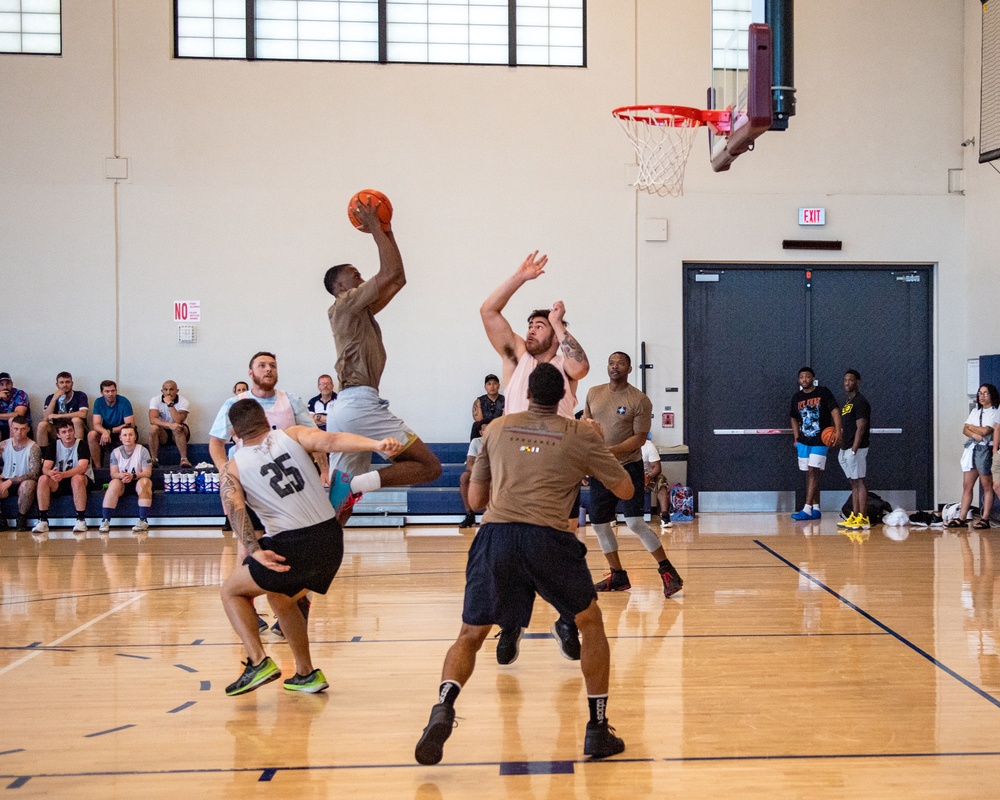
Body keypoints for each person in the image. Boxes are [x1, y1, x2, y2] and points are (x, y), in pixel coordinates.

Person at [414, 363, 631, 766]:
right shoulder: (581, 433)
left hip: (496, 537)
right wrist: (593, 451)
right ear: (563, 395)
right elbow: (626, 488)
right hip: (548, 538)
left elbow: (476, 502)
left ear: (527, 392)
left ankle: (443, 706)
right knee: (590, 623)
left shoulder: (495, 429)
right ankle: (597, 729)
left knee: (470, 634)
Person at [218, 399, 402, 696]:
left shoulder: (232, 468)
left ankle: (257, 661)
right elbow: (331, 440)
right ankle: (305, 673)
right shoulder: (292, 434)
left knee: (231, 591)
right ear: (266, 419)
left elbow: (235, 510)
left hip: (292, 545)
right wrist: (377, 443)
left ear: (234, 433)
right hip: (331, 539)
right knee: (281, 600)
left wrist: (254, 551)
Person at [480, 251, 592, 662]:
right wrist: (520, 277)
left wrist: (560, 323)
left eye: (538, 324)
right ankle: (511, 624)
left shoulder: (565, 363)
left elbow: (582, 365)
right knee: (509, 540)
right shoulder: (514, 356)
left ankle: (566, 618)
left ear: (554, 332)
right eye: (529, 324)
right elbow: (489, 309)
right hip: (513, 457)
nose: (530, 330)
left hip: (557, 460)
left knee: (563, 540)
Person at [322, 197, 442, 520]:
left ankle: (316, 556)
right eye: (355, 276)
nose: (362, 280)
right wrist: (375, 227)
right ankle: (363, 482)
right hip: (359, 405)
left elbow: (398, 277)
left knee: (339, 505)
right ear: (340, 287)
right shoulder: (344, 305)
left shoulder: (361, 313)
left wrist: (388, 231)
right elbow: (387, 271)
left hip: (349, 407)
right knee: (429, 466)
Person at [209, 352, 319, 636]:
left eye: (272, 365)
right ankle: (249, 607)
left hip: (287, 485)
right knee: (248, 546)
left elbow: (314, 438)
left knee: (294, 544)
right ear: (250, 373)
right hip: (249, 484)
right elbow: (215, 443)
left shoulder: (291, 400)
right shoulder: (234, 404)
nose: (268, 369)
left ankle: (298, 604)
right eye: (262, 365)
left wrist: (323, 469)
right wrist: (225, 471)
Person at [585, 352, 683, 597]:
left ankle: (668, 571)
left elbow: (639, 439)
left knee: (635, 522)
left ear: (629, 368)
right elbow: (586, 427)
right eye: (610, 362)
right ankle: (617, 575)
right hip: (600, 470)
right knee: (598, 524)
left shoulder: (639, 400)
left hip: (628, 467)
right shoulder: (593, 393)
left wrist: (610, 452)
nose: (614, 366)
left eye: (619, 363)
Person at [789, 366, 841, 521]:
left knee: (813, 471)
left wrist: (838, 431)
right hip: (804, 441)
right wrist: (796, 437)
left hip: (820, 440)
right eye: (801, 377)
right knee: (810, 474)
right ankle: (817, 508)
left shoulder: (823, 392)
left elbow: (835, 411)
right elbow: (793, 417)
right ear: (799, 380)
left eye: (807, 376)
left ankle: (806, 508)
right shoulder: (796, 397)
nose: (804, 379)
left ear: (813, 378)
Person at [950, 383, 1000, 529]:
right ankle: (962, 517)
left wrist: (971, 428)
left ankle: (985, 518)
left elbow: (986, 431)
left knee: (987, 485)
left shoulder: (995, 411)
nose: (982, 396)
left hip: (986, 450)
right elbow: (964, 430)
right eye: (980, 393)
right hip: (973, 448)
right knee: (967, 485)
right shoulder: (975, 411)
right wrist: (974, 433)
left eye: (985, 393)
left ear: (992, 395)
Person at [33, 417, 93, 534]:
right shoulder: (53, 446)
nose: (68, 434)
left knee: (77, 478)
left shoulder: (82, 444)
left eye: (70, 430)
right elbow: (45, 467)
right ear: (58, 435)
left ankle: (81, 519)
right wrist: (50, 472)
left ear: (74, 431)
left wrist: (63, 475)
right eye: (64, 432)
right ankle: (43, 520)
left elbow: (82, 468)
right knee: (43, 479)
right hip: (60, 480)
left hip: (81, 481)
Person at [98, 424, 153, 533]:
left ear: (135, 437)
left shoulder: (142, 451)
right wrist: (121, 475)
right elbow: (113, 473)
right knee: (114, 483)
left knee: (145, 482)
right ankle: (105, 520)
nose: (128, 437)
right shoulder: (115, 452)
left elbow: (147, 472)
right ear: (120, 438)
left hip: (137, 480)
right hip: (122, 483)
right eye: (125, 435)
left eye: (130, 435)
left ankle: (143, 520)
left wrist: (133, 476)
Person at [837, 369, 872, 531]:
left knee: (860, 481)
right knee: (853, 482)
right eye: (845, 380)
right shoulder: (848, 402)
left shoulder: (860, 402)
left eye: (851, 380)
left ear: (857, 381)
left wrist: (854, 449)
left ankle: (863, 518)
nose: (847, 383)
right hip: (846, 446)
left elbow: (861, 427)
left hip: (856, 448)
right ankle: (855, 515)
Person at [0, 415, 40, 531]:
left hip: (22, 481)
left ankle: (21, 517)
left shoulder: (33, 448)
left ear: (27, 429)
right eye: (16, 429)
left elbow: (34, 473)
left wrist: (11, 481)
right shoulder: (3, 445)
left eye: (22, 429)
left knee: (28, 485)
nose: (19, 432)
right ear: (11, 429)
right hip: (6, 480)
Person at [87, 380, 136, 468]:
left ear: (116, 391)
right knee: (91, 435)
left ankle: (127, 467)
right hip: (107, 432)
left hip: (122, 432)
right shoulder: (98, 402)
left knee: (128, 433)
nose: (110, 394)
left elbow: (129, 424)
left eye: (113, 391)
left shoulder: (124, 401)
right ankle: (98, 468)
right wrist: (105, 432)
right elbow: (96, 424)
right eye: (107, 391)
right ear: (102, 393)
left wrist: (109, 431)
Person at [36, 371, 88, 447]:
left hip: (74, 428)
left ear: (72, 383)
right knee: (42, 425)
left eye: (67, 382)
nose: (65, 385)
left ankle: (77, 452)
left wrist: (59, 416)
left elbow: (83, 414)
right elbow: (45, 418)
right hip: (58, 430)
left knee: (76, 420)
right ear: (57, 384)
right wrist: (54, 399)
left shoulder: (80, 395)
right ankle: (44, 456)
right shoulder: (51, 397)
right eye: (61, 382)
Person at [148, 380, 191, 467]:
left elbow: (178, 420)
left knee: (178, 428)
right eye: (165, 389)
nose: (168, 392)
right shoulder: (155, 400)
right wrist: (170, 425)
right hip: (163, 432)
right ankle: (154, 460)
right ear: (162, 391)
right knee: (153, 428)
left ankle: (184, 459)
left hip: (180, 431)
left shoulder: (184, 401)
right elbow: (152, 419)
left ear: (177, 391)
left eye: (171, 389)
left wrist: (170, 404)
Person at [458, 419, 490, 529]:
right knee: (464, 477)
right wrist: (481, 473)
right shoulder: (476, 442)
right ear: (481, 432)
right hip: (480, 471)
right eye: (485, 430)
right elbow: (469, 463)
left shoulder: (500, 440)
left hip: (496, 471)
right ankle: (469, 514)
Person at [641, 433, 672, 529]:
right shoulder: (622, 445)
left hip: (646, 475)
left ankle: (665, 516)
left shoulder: (648, 445)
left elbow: (657, 467)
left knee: (661, 481)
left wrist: (648, 476)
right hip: (626, 475)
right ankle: (611, 516)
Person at [470, 374, 504, 440]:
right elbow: (479, 421)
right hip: (484, 428)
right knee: (476, 425)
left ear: (499, 386)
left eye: (495, 383)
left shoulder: (505, 400)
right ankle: (475, 449)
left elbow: (505, 419)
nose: (492, 386)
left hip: (500, 427)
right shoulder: (479, 401)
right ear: (485, 387)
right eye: (489, 384)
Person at [0, 372, 31, 441]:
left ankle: (12, 450)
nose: (5, 387)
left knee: (12, 420)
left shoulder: (20, 394)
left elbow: (19, 414)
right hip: (1, 428)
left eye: (8, 383)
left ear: (12, 384)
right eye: (1, 384)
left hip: (20, 427)